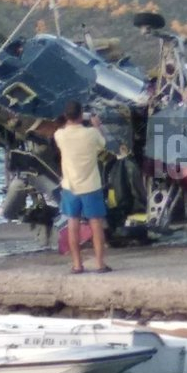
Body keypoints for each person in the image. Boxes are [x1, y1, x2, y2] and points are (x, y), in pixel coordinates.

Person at [54, 100, 111, 274]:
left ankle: (77, 265)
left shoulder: (60, 135)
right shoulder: (91, 134)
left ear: (66, 116)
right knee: (96, 224)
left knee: (73, 223)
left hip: (70, 187)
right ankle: (100, 264)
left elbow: (62, 127)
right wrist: (96, 125)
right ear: (81, 115)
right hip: (91, 186)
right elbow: (103, 144)